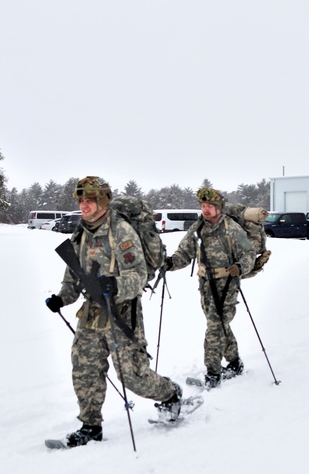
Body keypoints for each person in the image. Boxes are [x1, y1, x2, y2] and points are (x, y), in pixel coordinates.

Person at [44, 176, 185, 446]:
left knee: (132, 376)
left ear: (103, 201)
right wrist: (62, 299)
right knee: (84, 368)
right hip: (92, 311)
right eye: (81, 200)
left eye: (90, 200)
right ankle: (90, 426)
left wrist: (115, 284)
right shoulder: (81, 231)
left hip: (122, 311)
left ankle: (170, 394)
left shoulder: (120, 231)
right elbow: (73, 276)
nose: (84, 205)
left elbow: (139, 275)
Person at [162, 187, 255, 388]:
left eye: (210, 206)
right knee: (220, 325)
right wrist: (169, 263)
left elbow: (248, 254)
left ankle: (213, 373)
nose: (206, 210)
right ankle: (235, 362)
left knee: (215, 326)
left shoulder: (232, 228)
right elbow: (184, 254)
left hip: (227, 283)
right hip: (205, 284)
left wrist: (239, 267)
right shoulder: (197, 229)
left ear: (219, 207)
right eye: (203, 206)